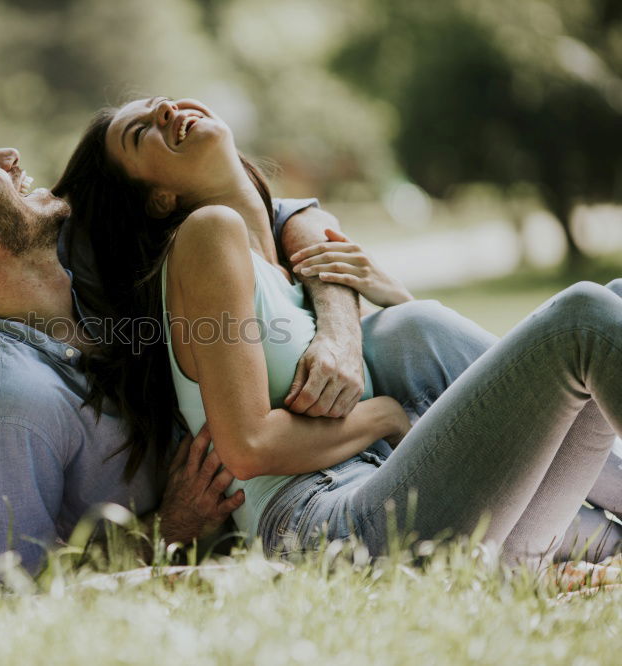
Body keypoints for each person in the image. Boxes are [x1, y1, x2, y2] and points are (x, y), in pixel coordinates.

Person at [54, 96, 622, 566]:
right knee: (585, 319)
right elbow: (248, 447)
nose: (168, 112)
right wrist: (388, 414)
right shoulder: (207, 236)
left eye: (161, 103)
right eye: (143, 131)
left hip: (391, 500)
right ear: (159, 198)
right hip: (322, 526)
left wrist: (391, 305)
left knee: (611, 301)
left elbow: (316, 231)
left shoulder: (283, 260)